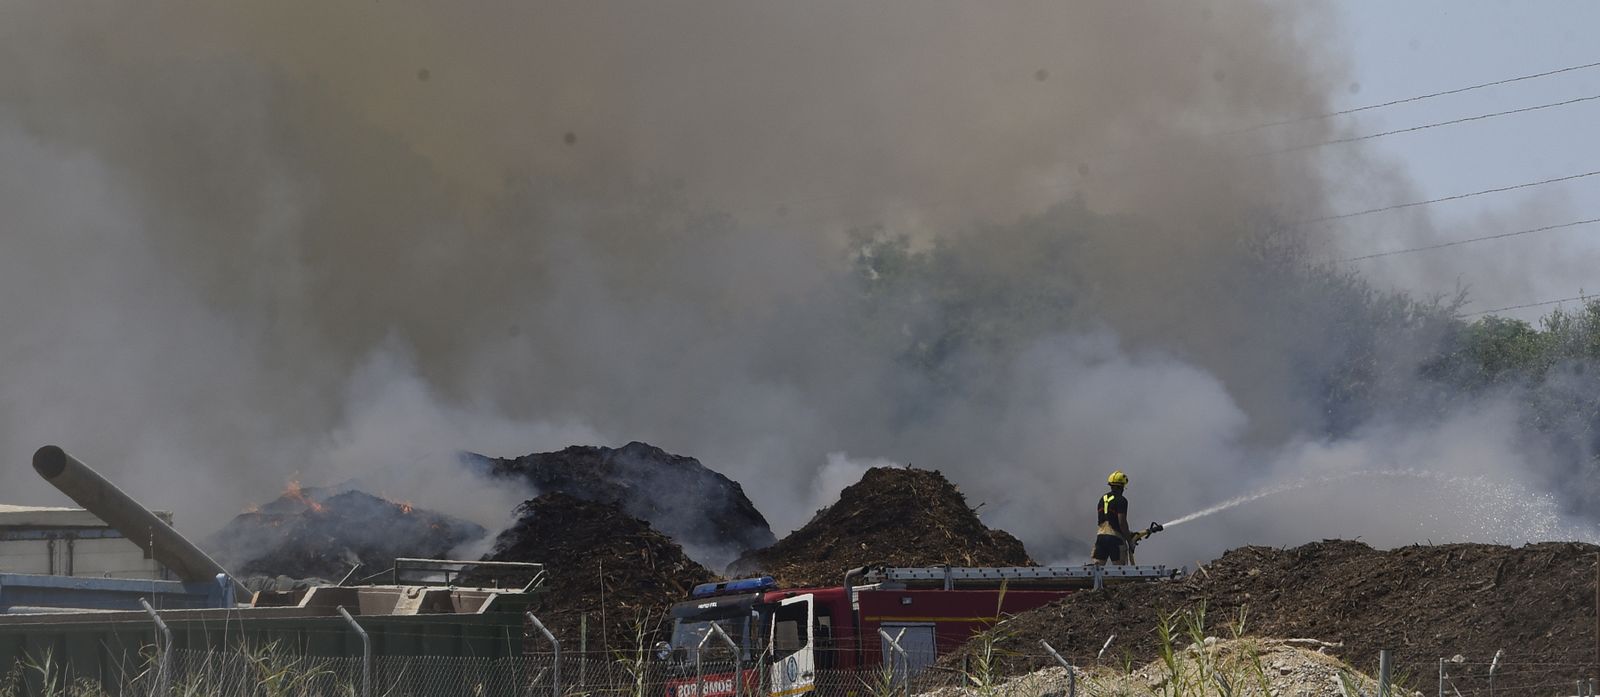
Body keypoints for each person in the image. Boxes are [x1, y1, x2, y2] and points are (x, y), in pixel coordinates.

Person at [1092, 470, 1131, 565]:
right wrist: (1130, 540)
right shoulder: (1122, 500)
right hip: (1115, 539)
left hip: (1100, 538)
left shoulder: (1103, 498)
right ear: (1122, 487)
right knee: (1120, 571)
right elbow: (1122, 522)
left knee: (1097, 570)